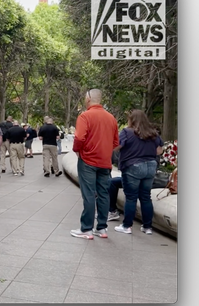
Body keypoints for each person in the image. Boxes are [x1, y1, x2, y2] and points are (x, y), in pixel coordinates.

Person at [70, 89, 119, 240]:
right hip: (105, 162)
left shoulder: (85, 116)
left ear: (89, 99)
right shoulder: (111, 118)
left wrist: (77, 151)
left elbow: (79, 138)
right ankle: (102, 228)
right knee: (104, 194)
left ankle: (86, 229)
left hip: (88, 161)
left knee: (89, 194)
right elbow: (116, 142)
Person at [113, 110, 164, 235]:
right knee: (146, 197)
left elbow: (116, 146)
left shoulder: (127, 132)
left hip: (133, 166)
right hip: (150, 167)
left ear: (132, 120)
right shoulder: (153, 134)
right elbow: (159, 151)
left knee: (131, 197)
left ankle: (127, 226)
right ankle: (147, 227)